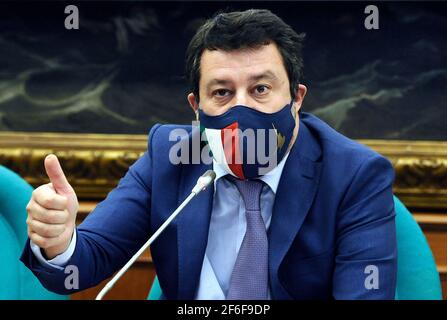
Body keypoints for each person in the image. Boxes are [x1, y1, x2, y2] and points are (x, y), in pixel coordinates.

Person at [20, 9, 397, 300]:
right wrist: (58, 240)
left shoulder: (354, 175)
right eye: (222, 93)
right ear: (196, 108)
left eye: (261, 89)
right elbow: (84, 264)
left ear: (296, 98)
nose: (242, 108)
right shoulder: (173, 155)